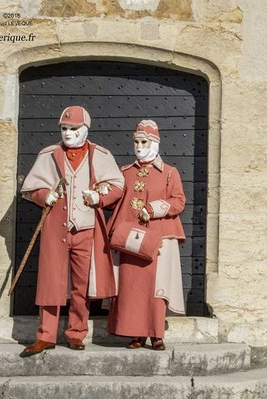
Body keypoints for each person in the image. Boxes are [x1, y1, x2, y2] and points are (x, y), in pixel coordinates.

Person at [19, 105, 124, 357]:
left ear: (85, 129)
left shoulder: (100, 154)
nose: (68, 133)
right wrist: (45, 195)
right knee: (50, 283)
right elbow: (31, 188)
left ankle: (76, 334)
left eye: (74, 128)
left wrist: (98, 196)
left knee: (82, 285)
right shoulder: (49, 154)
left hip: (86, 227)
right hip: (56, 228)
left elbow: (118, 185)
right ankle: (45, 336)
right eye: (65, 128)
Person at [107, 119, 186, 350]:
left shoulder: (170, 172)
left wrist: (153, 208)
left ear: (155, 143)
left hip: (159, 238)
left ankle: (156, 334)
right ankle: (136, 334)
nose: (140, 146)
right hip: (130, 239)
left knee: (156, 288)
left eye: (144, 141)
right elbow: (114, 198)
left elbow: (178, 201)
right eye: (137, 142)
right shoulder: (124, 172)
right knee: (131, 288)